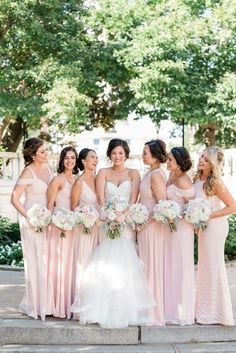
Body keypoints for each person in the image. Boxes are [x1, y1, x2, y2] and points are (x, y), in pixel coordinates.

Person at [72, 138, 155, 328]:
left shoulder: (134, 173)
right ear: (109, 155)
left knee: (126, 263)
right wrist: (109, 214)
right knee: (105, 261)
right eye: (114, 153)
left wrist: (123, 215)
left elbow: (134, 199)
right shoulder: (103, 172)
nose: (117, 156)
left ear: (126, 154)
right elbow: (101, 199)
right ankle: (100, 310)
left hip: (125, 223)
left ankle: (128, 310)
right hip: (106, 221)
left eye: (121, 153)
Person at [11, 137, 52, 320]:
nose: (46, 154)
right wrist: (30, 217)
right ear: (33, 154)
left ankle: (46, 303)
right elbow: (14, 198)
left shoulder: (48, 168)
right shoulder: (28, 172)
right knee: (34, 262)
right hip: (32, 221)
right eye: (42, 151)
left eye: (46, 150)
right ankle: (34, 305)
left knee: (46, 263)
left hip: (47, 220)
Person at [194, 146, 236, 326]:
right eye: (201, 156)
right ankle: (204, 311)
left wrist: (208, 216)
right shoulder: (196, 178)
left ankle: (218, 314)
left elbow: (232, 206)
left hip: (216, 226)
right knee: (204, 267)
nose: (201, 160)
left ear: (212, 164)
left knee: (213, 266)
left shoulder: (215, 181)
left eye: (205, 159)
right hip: (203, 227)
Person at [137, 139, 167, 326]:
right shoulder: (149, 172)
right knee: (145, 267)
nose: (143, 155)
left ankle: (153, 313)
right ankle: (145, 308)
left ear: (155, 156)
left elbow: (162, 204)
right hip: (143, 224)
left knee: (151, 266)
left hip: (151, 226)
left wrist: (145, 223)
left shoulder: (156, 175)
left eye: (145, 152)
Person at [164, 147, 195, 325]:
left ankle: (182, 312)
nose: (167, 162)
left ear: (179, 160)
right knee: (171, 266)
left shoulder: (184, 179)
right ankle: (170, 308)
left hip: (182, 229)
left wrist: (175, 215)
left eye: (170, 159)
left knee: (181, 266)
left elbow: (191, 208)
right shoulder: (171, 176)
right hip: (169, 228)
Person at [47, 146, 78, 319]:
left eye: (73, 158)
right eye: (66, 158)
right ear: (61, 160)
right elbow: (50, 205)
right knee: (59, 266)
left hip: (73, 227)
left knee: (70, 266)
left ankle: (69, 304)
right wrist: (56, 222)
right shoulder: (57, 179)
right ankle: (57, 305)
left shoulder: (76, 179)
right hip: (59, 227)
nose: (69, 161)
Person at [70, 148, 99, 315]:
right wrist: (85, 216)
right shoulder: (79, 182)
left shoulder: (98, 179)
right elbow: (74, 207)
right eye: (92, 157)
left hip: (98, 228)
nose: (95, 160)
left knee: (96, 266)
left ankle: (95, 303)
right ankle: (81, 306)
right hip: (85, 229)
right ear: (83, 161)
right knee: (85, 264)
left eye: (96, 157)